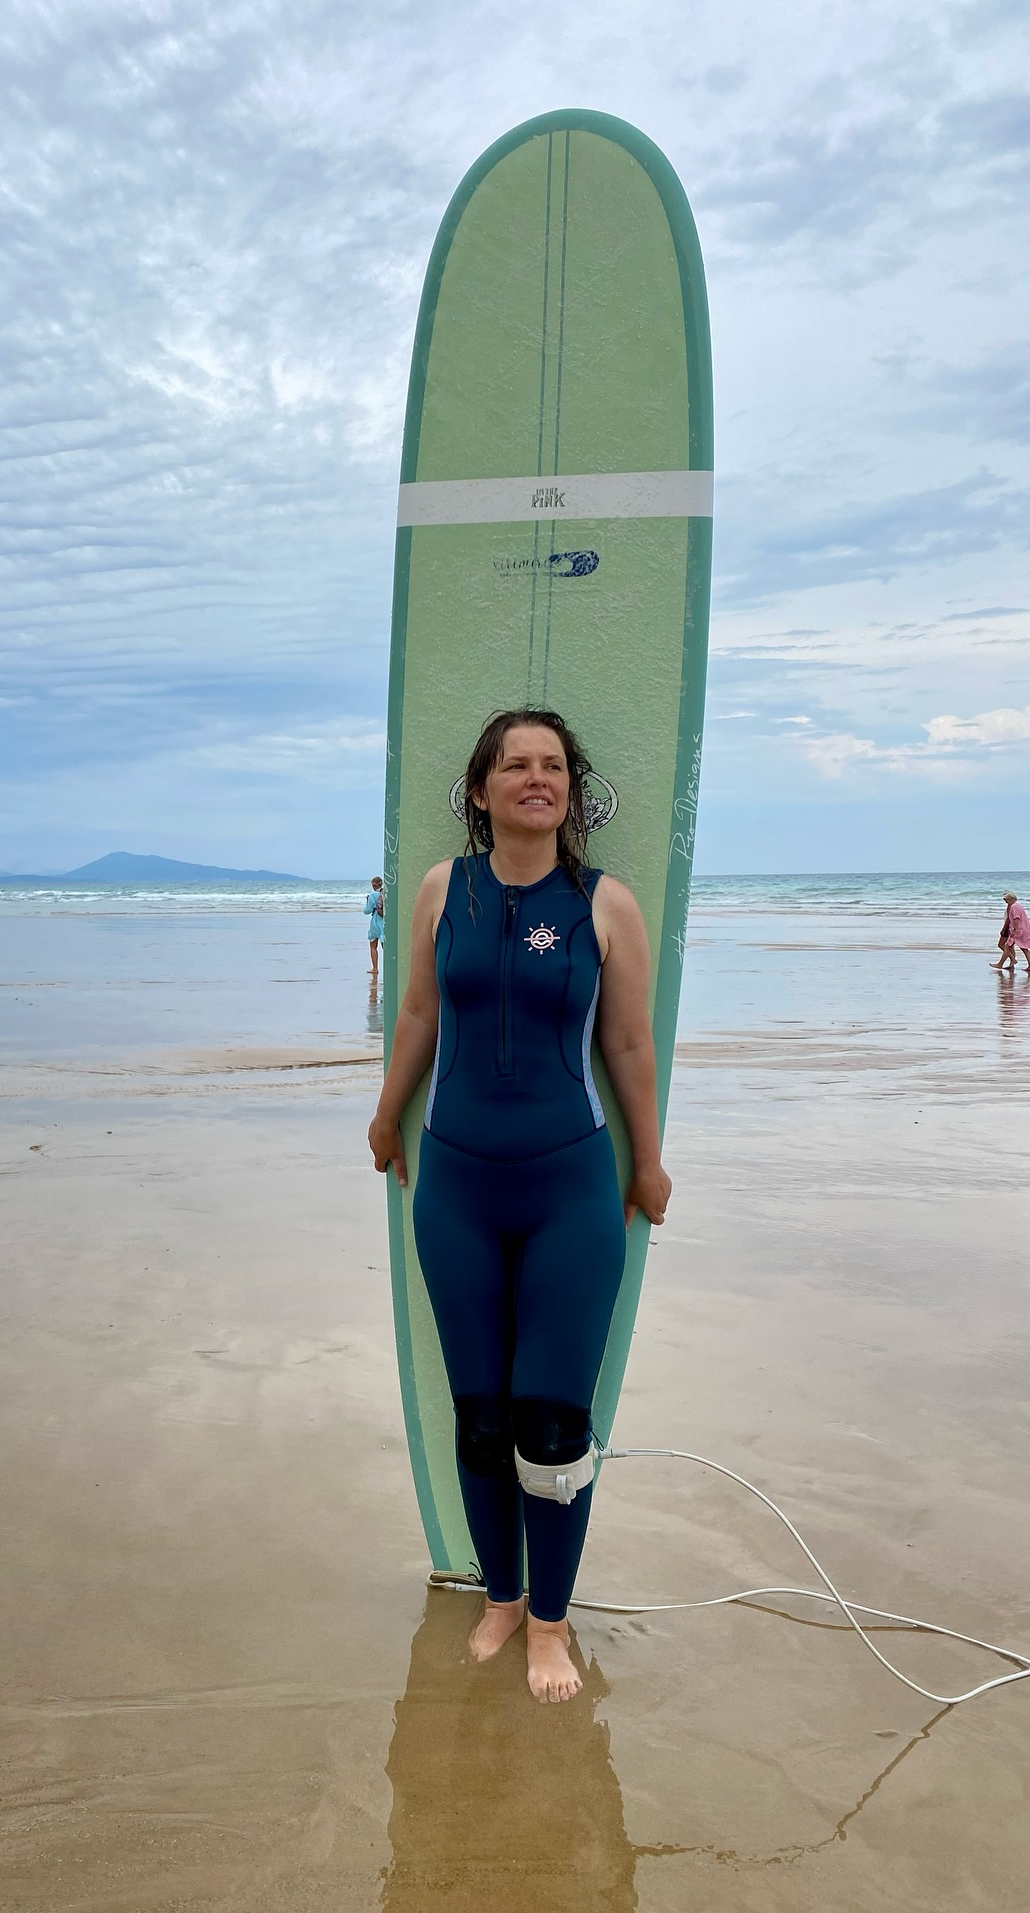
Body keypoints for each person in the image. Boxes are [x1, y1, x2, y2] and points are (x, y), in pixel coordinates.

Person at [368, 708, 671, 1705]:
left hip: (569, 1187)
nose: (534, 778)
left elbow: (627, 1045)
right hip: (454, 1183)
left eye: (551, 766)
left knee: (551, 1420)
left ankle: (551, 1619)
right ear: (483, 788)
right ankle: (500, 1595)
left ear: (571, 791)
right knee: (481, 1413)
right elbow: (417, 1012)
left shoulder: (604, 903)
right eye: (514, 765)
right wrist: (385, 1118)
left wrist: (651, 1160)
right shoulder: (438, 891)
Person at [991, 892, 1030, 972]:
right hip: (1023, 929)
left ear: (1011, 899)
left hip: (1018, 930)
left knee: (1007, 946)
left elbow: (1016, 918)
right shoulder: (1018, 906)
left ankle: (1000, 964)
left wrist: (1015, 929)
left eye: (1006, 900)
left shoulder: (1014, 907)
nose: (1005, 901)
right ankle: (1024, 964)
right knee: (1023, 948)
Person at [364, 876, 385, 979]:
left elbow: (367, 911)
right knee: (385, 946)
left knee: (373, 945)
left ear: (374, 885)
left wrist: (367, 901)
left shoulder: (373, 895)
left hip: (376, 921)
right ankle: (388, 967)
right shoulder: (385, 893)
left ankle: (375, 968)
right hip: (385, 922)